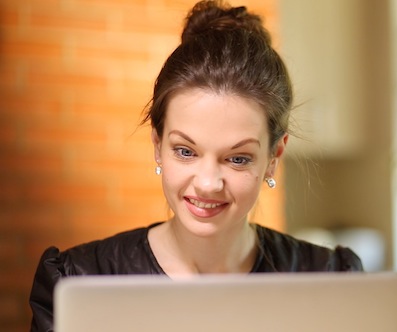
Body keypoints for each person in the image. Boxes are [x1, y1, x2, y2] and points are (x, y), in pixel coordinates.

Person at [28, 1, 363, 330]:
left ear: (274, 157)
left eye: (237, 158)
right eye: (186, 151)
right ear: (158, 146)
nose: (207, 183)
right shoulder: (79, 281)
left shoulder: (332, 282)